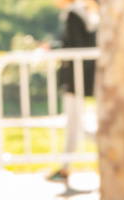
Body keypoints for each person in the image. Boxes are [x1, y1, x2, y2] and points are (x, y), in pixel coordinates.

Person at [49, 0, 99, 190]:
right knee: (76, 125)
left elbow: (75, 47)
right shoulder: (81, 14)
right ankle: (65, 167)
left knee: (75, 125)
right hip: (78, 79)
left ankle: (65, 168)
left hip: (75, 79)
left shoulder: (74, 14)